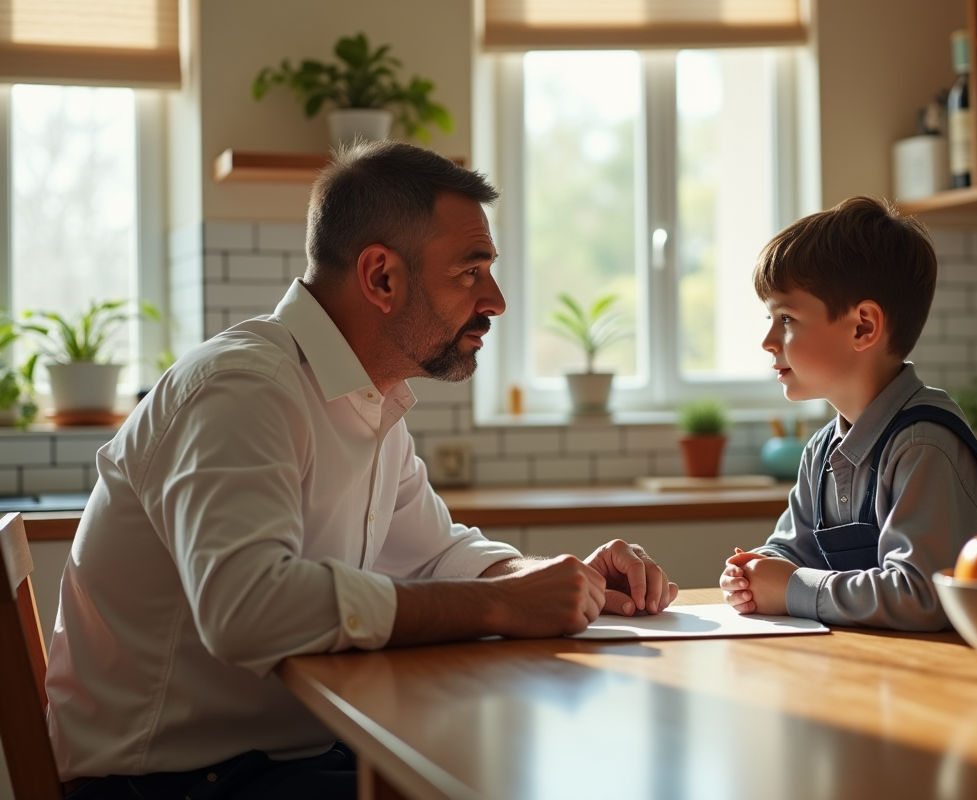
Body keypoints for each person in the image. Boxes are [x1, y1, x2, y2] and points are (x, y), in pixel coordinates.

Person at [46, 141, 678, 799]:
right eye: (470, 271)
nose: (495, 300)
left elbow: (435, 553)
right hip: (167, 779)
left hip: (275, 755)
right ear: (380, 277)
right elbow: (247, 609)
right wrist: (501, 602)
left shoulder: (365, 398)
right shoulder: (243, 390)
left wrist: (549, 579)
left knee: (513, 765)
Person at [719, 196, 977, 631]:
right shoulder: (822, 451)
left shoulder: (923, 446)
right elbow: (792, 552)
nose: (768, 340)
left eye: (785, 318)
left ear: (863, 326)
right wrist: (756, 570)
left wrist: (791, 589)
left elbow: (921, 595)